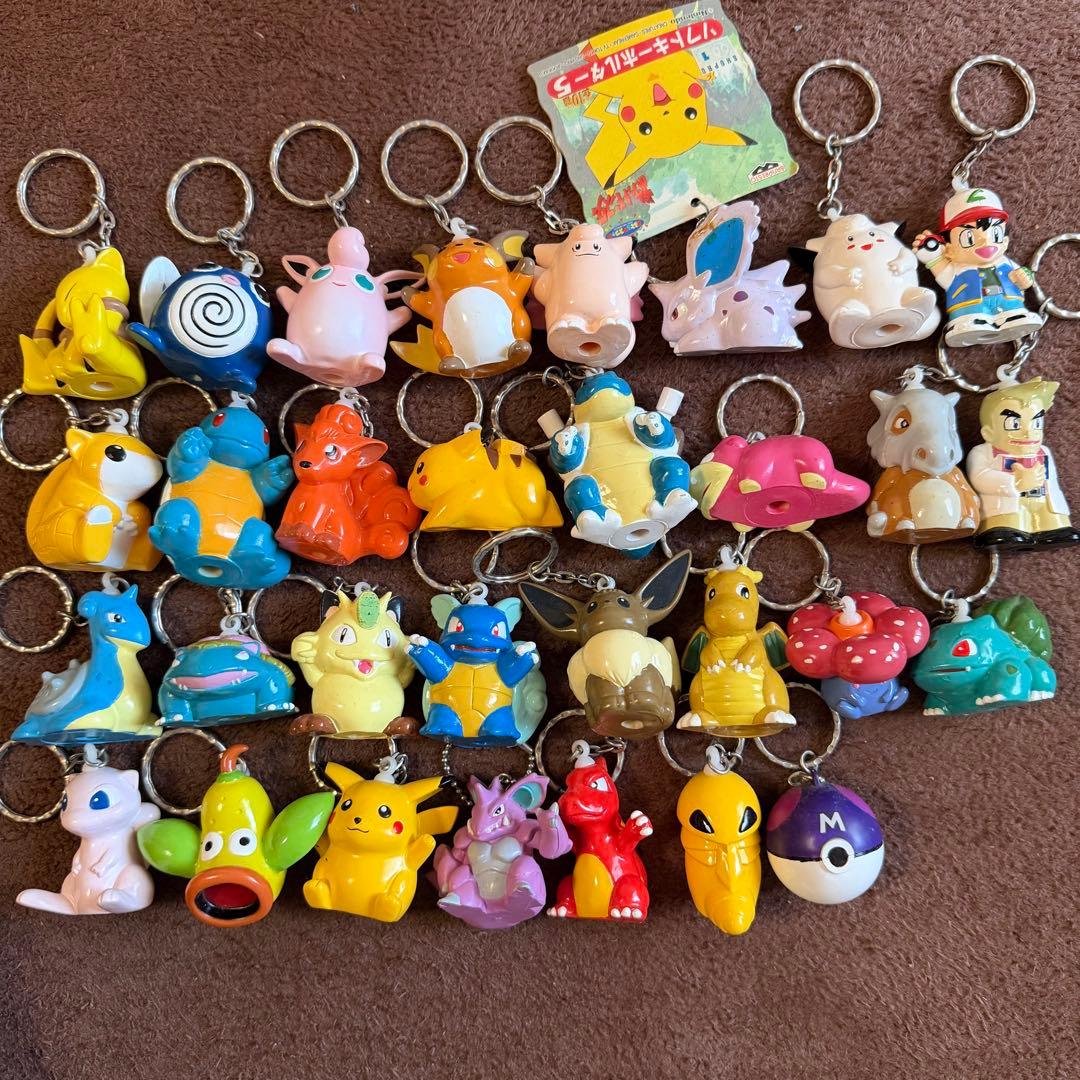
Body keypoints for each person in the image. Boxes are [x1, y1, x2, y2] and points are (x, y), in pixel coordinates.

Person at [914, 187, 1043, 347]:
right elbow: (940, 268)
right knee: (971, 316)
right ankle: (970, 322)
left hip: (1009, 302)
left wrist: (1024, 278)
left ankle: (1014, 317)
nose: (985, 241)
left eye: (995, 234)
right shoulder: (955, 267)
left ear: (1005, 241)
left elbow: (1024, 280)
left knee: (1014, 311)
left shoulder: (1006, 263)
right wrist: (931, 255)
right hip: (969, 305)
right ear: (949, 249)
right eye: (968, 237)